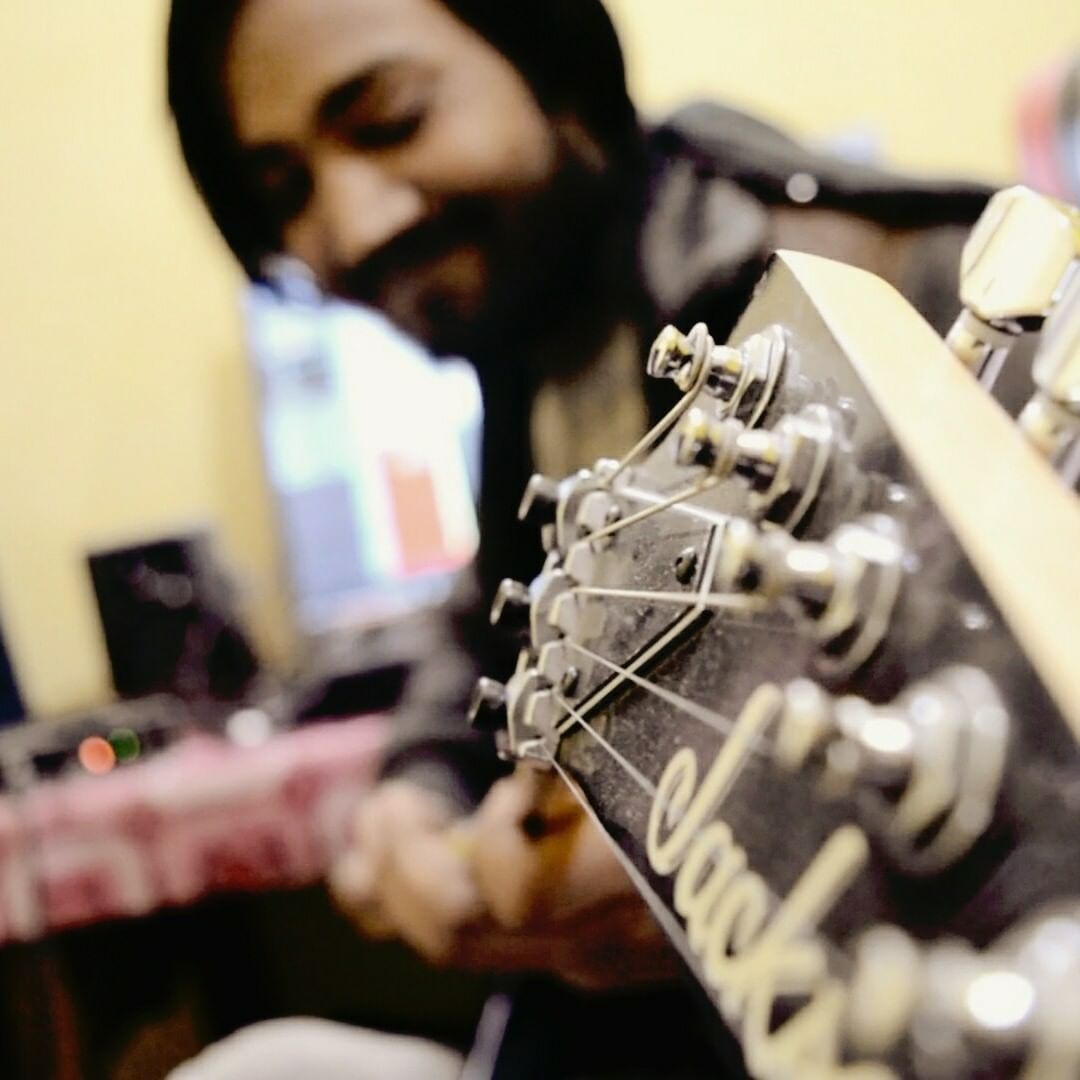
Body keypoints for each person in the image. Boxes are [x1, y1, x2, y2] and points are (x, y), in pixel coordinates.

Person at [165, 0, 992, 1074]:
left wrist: (765, 842)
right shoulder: (532, 342)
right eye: (286, 193)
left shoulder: (907, 285)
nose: (353, 226)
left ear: (549, 59)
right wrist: (417, 800)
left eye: (391, 120)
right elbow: (485, 634)